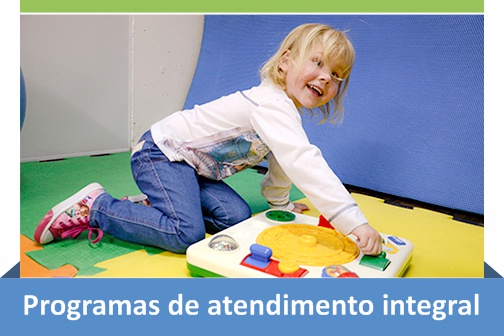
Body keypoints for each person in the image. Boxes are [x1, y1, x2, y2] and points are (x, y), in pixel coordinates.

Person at [34, 23, 382, 256]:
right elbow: (302, 161)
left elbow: (283, 164)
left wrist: (280, 206)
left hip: (190, 170)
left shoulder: (283, 113)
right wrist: (352, 220)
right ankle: (98, 207)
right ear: (286, 63)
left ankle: (152, 206)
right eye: (318, 63)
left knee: (237, 218)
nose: (325, 78)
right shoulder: (270, 104)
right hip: (159, 154)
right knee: (186, 235)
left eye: (336, 75)